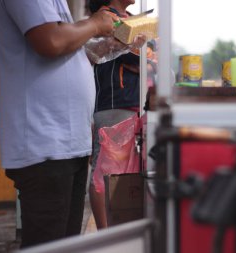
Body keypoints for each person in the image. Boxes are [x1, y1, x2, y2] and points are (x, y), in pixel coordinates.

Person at [0, 0, 118, 248]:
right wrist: (93, 24)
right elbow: (51, 41)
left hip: (67, 141)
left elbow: (65, 49)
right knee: (48, 244)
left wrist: (103, 43)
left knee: (65, 244)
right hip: (45, 141)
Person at [87, 0, 157, 229]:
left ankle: (121, 226)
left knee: (127, 169)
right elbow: (137, 57)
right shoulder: (106, 18)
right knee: (105, 169)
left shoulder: (130, 17)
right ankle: (104, 232)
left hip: (134, 102)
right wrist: (146, 57)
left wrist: (146, 57)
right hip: (114, 103)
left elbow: (150, 57)